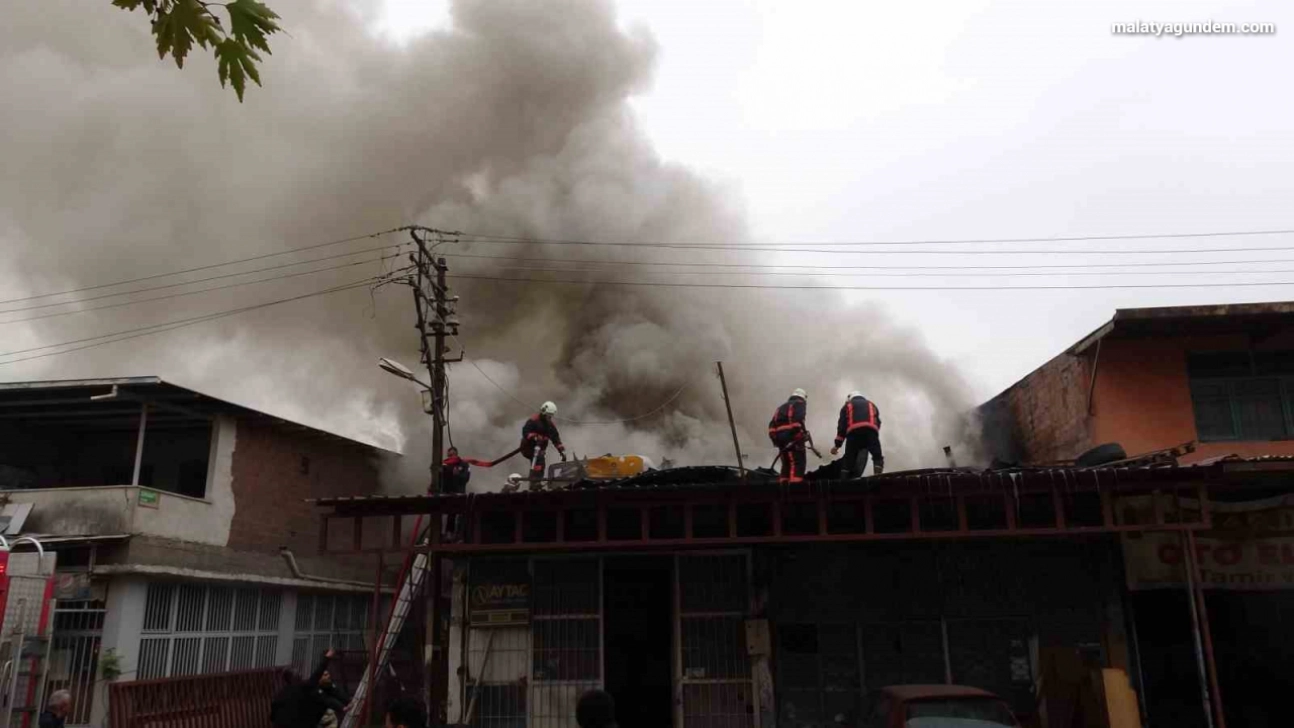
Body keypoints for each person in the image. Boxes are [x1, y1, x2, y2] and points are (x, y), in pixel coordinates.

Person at [270, 649, 337, 728]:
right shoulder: (303, 688)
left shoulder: (280, 694)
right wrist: (327, 658)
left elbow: (273, 716)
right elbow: (317, 674)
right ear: (298, 678)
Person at [831, 391, 884, 477]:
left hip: (853, 433)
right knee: (877, 455)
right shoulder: (872, 404)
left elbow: (842, 426)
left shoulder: (847, 406)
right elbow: (878, 422)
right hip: (871, 431)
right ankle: (878, 477)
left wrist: (837, 445)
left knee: (849, 458)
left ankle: (843, 481)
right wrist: (873, 434)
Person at [768, 388, 808, 484]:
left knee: (786, 465)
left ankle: (784, 490)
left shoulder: (780, 408)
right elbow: (797, 421)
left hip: (781, 442)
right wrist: (797, 435)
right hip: (793, 441)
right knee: (798, 464)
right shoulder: (799, 404)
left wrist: (777, 441)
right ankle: (795, 491)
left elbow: (771, 427)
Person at [520, 401, 565, 487]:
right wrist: (534, 436)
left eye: (551, 415)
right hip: (528, 447)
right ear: (544, 413)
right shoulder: (533, 420)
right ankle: (534, 482)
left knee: (541, 464)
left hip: (540, 449)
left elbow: (555, 438)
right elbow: (525, 431)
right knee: (539, 460)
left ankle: (537, 481)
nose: (550, 417)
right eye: (548, 415)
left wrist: (561, 451)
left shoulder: (550, 425)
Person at [440, 446, 471, 537]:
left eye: (453, 454)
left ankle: (458, 535)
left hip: (459, 494)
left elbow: (466, 478)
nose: (451, 456)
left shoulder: (464, 464)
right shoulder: (444, 465)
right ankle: (443, 534)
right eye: (449, 455)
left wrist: (458, 475)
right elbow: (438, 480)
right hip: (446, 494)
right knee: (444, 515)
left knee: (458, 516)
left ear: (456, 454)